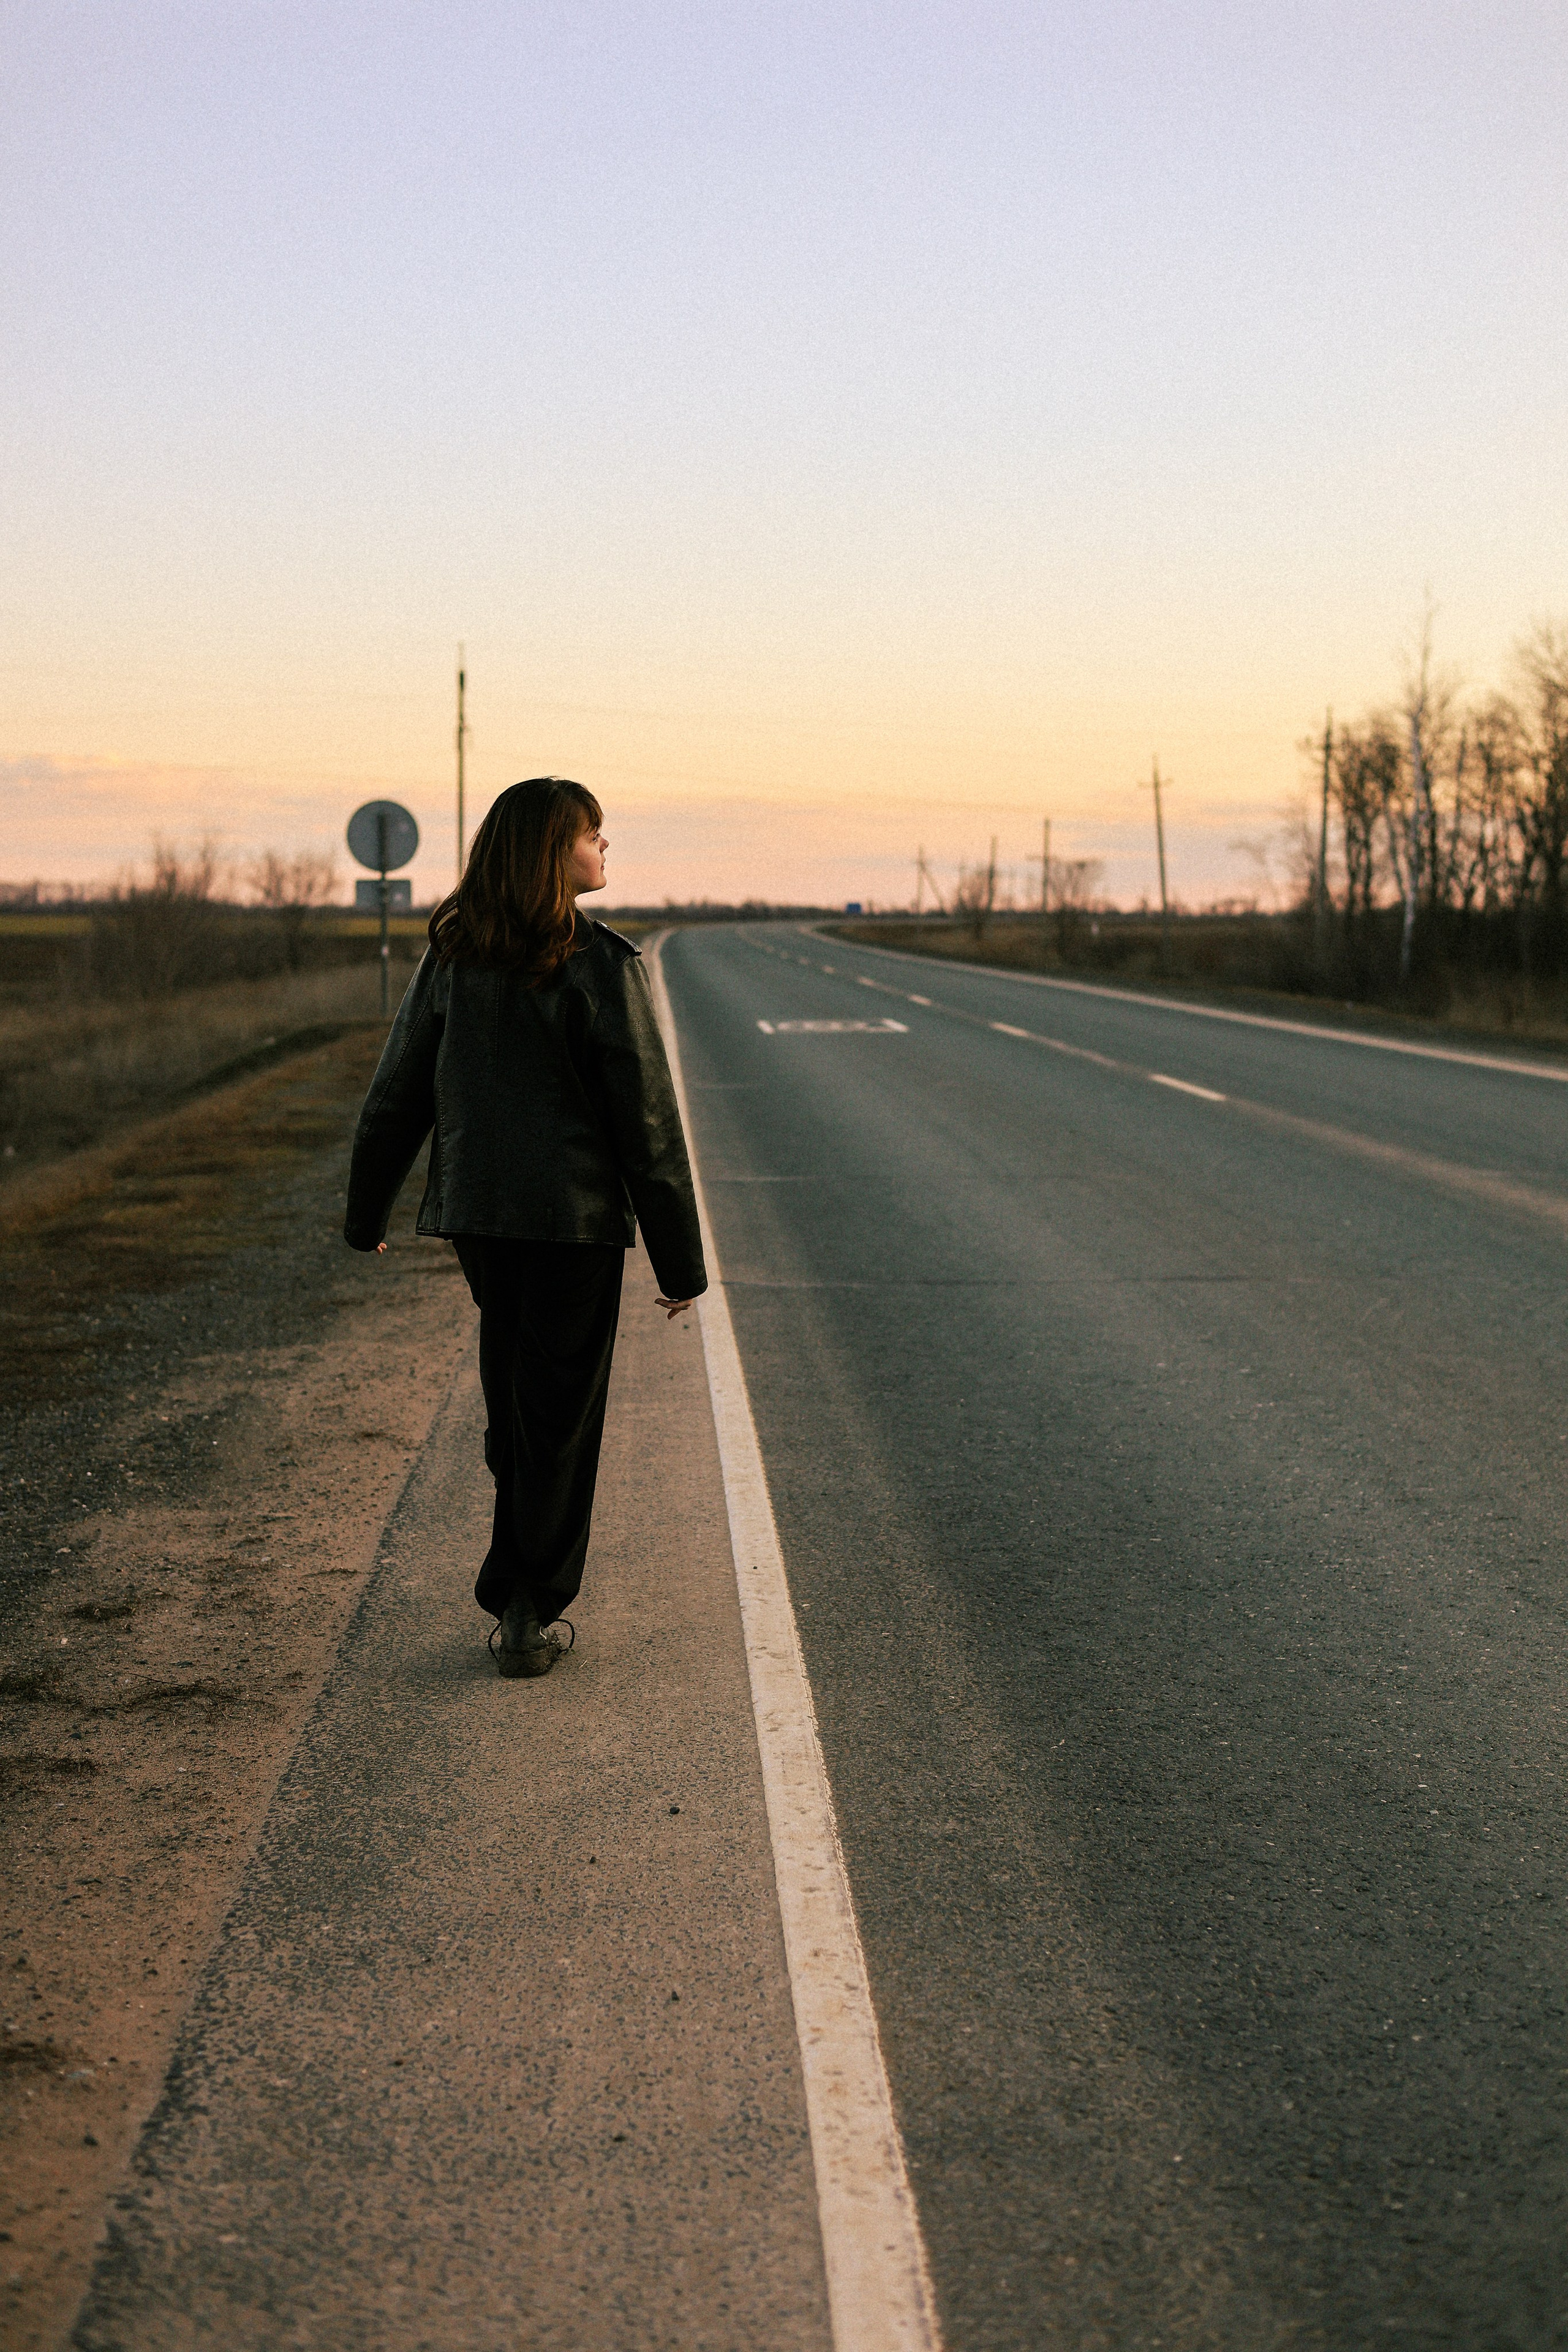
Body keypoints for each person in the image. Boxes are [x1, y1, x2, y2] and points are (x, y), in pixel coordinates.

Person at [342, 777, 706, 1679]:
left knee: (516, 1389)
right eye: (592, 834)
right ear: (552, 850)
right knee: (559, 1412)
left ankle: (519, 1568)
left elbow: (397, 1094)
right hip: (573, 1226)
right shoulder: (602, 964)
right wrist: (682, 1261)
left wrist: (365, 1213)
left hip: (480, 1217)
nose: (604, 848)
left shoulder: (454, 957)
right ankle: (527, 1604)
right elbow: (646, 1127)